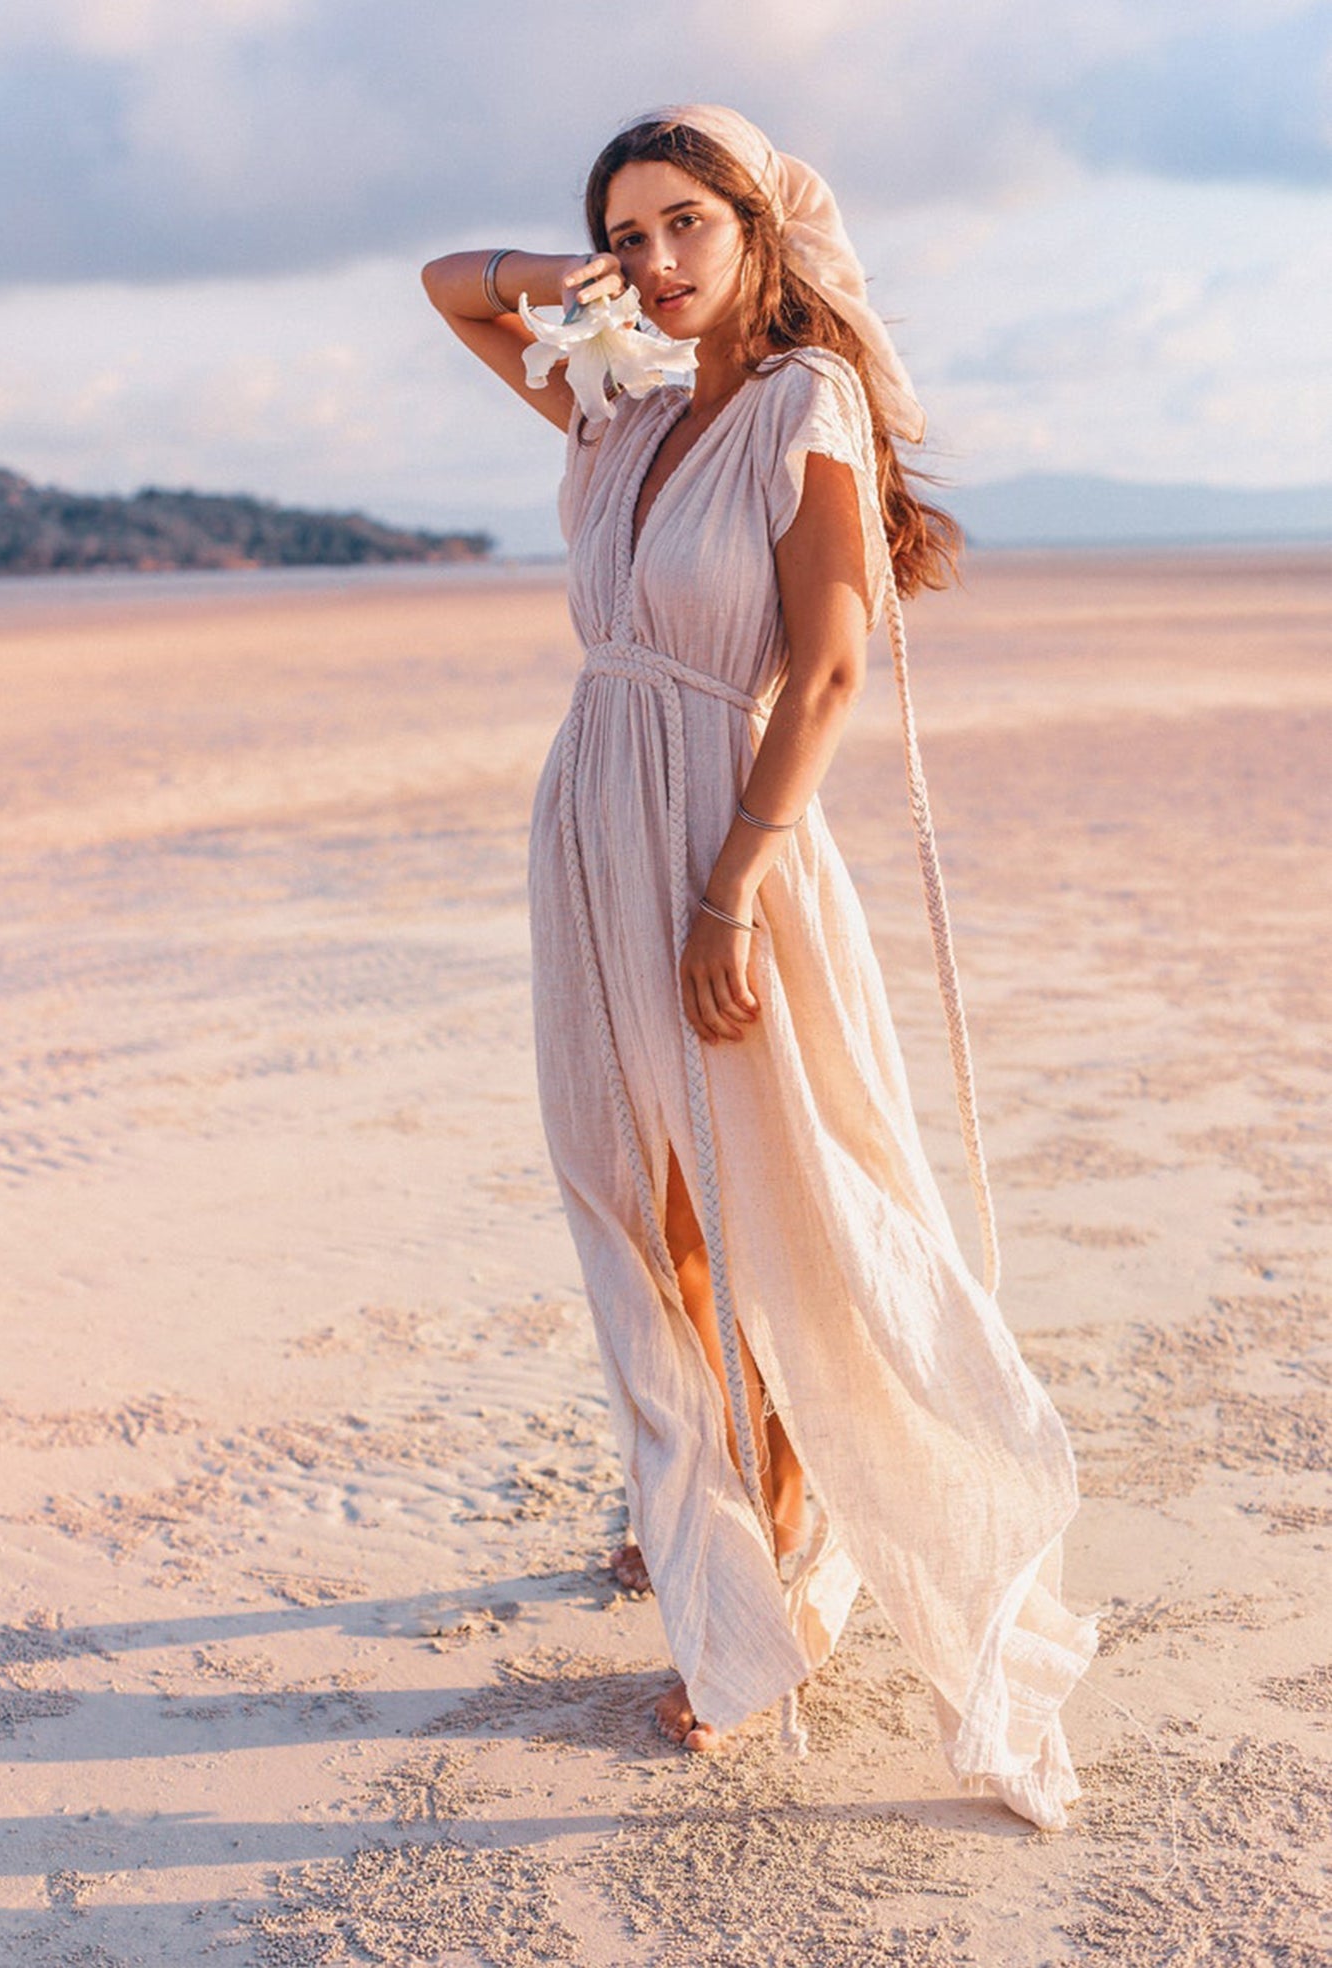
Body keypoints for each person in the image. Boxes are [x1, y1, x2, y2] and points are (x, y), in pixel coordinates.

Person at [421, 104, 1096, 1831]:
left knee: (753, 1205)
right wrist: (555, 279)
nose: (648, 261)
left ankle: (771, 1587)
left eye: (679, 226)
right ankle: (708, 1536)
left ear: (759, 229)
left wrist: (733, 883)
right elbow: (444, 289)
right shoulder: (621, 395)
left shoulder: (808, 402)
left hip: (730, 840)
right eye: (622, 233)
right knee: (627, 1199)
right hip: (587, 818)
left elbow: (829, 671)